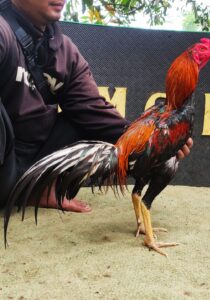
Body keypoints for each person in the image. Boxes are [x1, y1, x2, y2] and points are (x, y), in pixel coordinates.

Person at [0, 0, 193, 213]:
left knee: (92, 125)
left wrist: (155, 141)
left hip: (37, 163)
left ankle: (41, 188)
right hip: (4, 161)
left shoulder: (64, 51)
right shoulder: (4, 31)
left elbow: (95, 112)